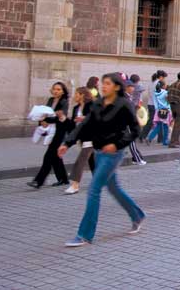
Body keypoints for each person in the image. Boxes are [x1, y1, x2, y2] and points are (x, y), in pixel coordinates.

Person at [59, 72, 145, 247]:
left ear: (117, 86)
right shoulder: (98, 103)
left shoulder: (124, 105)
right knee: (114, 188)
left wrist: (117, 144)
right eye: (102, 83)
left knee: (94, 189)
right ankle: (137, 215)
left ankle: (84, 234)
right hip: (98, 151)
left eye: (107, 83)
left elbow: (136, 130)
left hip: (113, 154)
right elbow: (84, 125)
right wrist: (67, 143)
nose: (103, 86)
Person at [27, 82, 72, 189]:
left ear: (63, 91)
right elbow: (44, 113)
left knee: (48, 156)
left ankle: (38, 181)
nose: (56, 91)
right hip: (51, 130)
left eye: (59, 89)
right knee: (55, 156)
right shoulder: (51, 100)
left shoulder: (64, 102)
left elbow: (60, 117)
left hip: (59, 132)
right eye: (54, 89)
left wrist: (47, 120)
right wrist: (42, 121)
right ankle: (63, 179)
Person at [65, 87, 95, 195]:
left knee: (81, 160)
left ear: (82, 95)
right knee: (92, 160)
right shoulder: (76, 108)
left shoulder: (92, 105)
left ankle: (75, 185)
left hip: (92, 137)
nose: (75, 96)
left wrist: (85, 118)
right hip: (82, 138)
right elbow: (73, 127)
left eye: (77, 94)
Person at [123, 80, 146, 166]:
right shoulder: (125, 97)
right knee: (131, 141)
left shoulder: (128, 96)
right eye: (131, 87)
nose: (133, 88)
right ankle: (137, 159)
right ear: (127, 87)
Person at [146, 82, 172, 147]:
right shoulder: (165, 93)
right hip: (165, 111)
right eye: (165, 85)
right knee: (165, 126)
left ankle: (150, 138)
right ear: (162, 86)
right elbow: (168, 100)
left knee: (159, 125)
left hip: (158, 110)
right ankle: (165, 141)